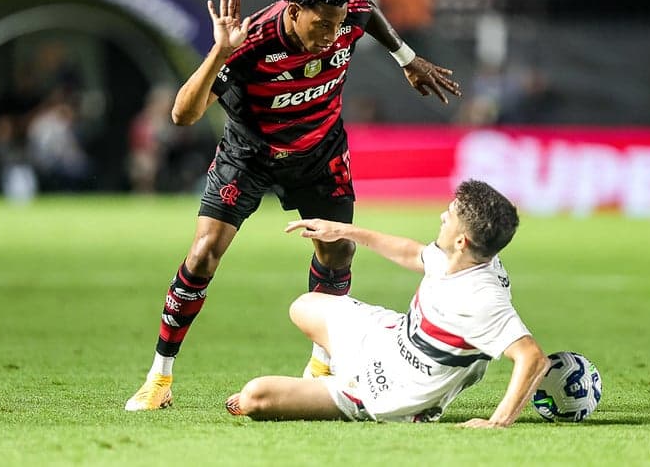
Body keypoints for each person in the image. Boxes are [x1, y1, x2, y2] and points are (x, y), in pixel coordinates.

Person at [125, 0, 461, 411]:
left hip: (319, 154)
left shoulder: (349, 13)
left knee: (338, 251)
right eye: (322, 24)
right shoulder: (251, 43)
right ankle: (159, 378)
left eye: (337, 25)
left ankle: (320, 369)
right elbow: (182, 115)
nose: (332, 35)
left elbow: (367, 12)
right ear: (295, 10)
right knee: (203, 254)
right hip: (249, 157)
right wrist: (219, 53)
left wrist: (407, 58)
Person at [225, 180, 550, 426]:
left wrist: (498, 422)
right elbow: (412, 253)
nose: (442, 216)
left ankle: (330, 388)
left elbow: (533, 358)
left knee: (254, 397)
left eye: (449, 215)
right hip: (388, 340)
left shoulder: (480, 297)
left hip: (388, 392)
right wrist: (342, 230)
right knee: (304, 306)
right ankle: (320, 374)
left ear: (462, 241)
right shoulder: (464, 255)